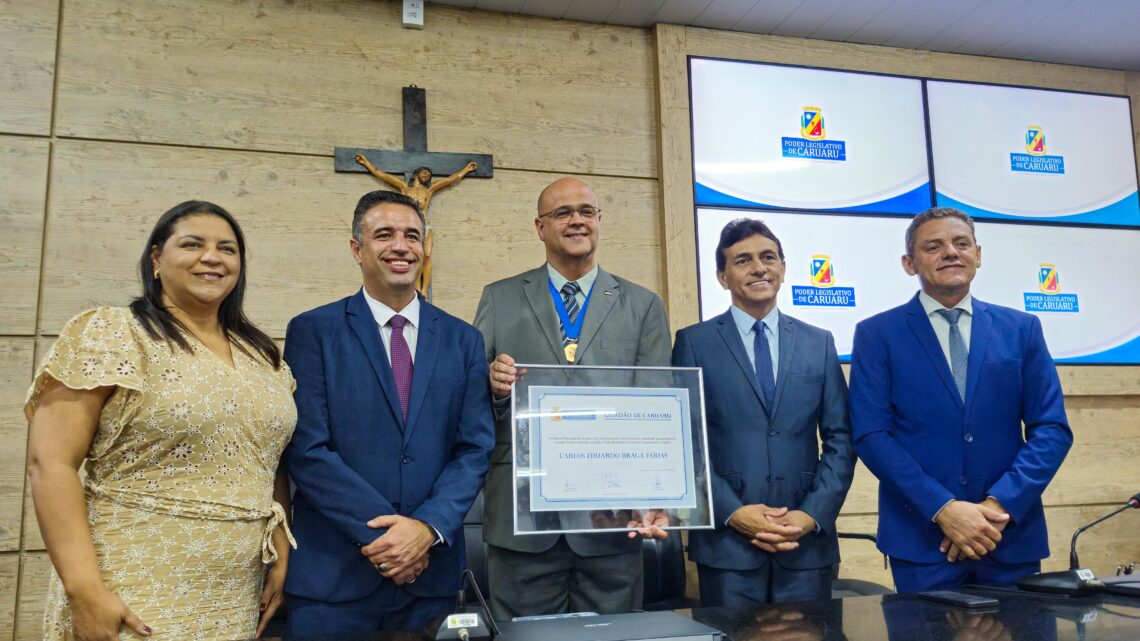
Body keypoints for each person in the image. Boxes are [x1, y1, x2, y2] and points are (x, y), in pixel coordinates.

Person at [25, 201, 296, 640]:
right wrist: (85, 590)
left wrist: (280, 540)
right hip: (134, 579)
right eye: (193, 244)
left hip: (234, 591)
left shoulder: (263, 357)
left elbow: (271, 457)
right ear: (156, 259)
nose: (212, 257)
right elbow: (50, 464)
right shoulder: (113, 333)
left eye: (227, 249)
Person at [282, 189, 494, 635]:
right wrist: (390, 539)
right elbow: (307, 449)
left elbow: (474, 448)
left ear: (424, 248)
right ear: (357, 249)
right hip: (334, 580)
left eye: (412, 236)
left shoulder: (463, 340)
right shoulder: (312, 331)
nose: (401, 246)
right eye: (384, 235)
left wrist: (426, 529)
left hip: (430, 579)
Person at [473, 177, 671, 619]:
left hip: (612, 519)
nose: (577, 220)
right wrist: (493, 385)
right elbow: (469, 405)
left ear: (599, 221)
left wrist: (656, 495)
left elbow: (657, 411)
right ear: (540, 227)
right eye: (563, 213)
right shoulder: (499, 298)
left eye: (586, 211)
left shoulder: (643, 306)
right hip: (522, 521)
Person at [849, 206, 1072, 592]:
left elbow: (1051, 429)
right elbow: (871, 435)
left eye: (961, 243)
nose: (950, 252)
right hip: (922, 543)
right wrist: (944, 509)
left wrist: (998, 506)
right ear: (909, 263)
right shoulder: (876, 334)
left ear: (978, 255)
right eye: (933, 246)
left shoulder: (1022, 329)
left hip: (1008, 537)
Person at [672, 218, 854, 606]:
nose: (758, 268)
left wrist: (811, 514)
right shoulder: (694, 343)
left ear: (784, 269)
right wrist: (733, 513)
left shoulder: (819, 343)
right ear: (722, 277)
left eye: (768, 257)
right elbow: (685, 444)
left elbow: (841, 437)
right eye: (742, 260)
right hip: (728, 544)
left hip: (805, 542)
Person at [355, 154, 478, 296]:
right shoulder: (404, 188)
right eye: (424, 172)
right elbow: (382, 175)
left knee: (426, 256)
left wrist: (466, 169)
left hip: (425, 225)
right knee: (412, 256)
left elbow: (451, 179)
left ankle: (424, 290)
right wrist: (366, 163)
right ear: (416, 175)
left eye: (429, 174)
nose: (427, 175)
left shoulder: (429, 191)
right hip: (409, 228)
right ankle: (417, 289)